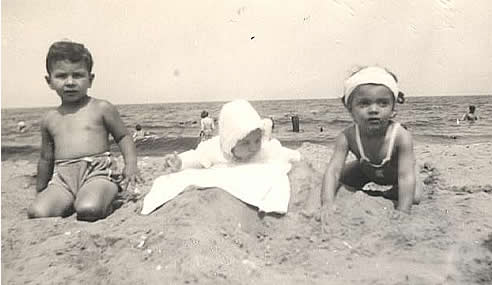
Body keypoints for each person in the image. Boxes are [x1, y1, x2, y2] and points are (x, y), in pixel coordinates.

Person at [27, 41, 142, 222]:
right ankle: (74, 199)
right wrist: (41, 190)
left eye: (78, 75)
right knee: (38, 212)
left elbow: (123, 136)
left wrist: (131, 165)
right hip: (63, 178)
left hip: (97, 172)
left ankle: (109, 194)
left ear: (90, 79)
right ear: (49, 81)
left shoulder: (101, 107)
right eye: (62, 76)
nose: (70, 82)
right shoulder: (50, 118)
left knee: (89, 209)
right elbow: (46, 158)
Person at [141, 99, 300, 215]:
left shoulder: (262, 149)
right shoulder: (216, 149)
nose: (253, 147)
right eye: (245, 143)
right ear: (230, 143)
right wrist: (181, 162)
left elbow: (278, 152)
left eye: (257, 140)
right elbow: (199, 158)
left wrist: (295, 156)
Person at [306, 66, 422, 221]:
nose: (373, 109)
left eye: (383, 103)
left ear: (393, 108)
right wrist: (327, 203)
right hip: (367, 170)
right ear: (350, 108)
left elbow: (405, 176)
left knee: (414, 197)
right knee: (336, 180)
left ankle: (394, 191)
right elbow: (333, 170)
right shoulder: (347, 136)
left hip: (397, 172)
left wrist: (403, 211)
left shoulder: (401, 136)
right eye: (364, 104)